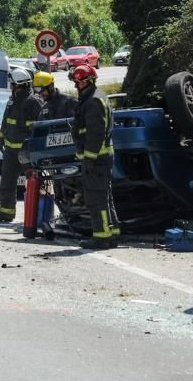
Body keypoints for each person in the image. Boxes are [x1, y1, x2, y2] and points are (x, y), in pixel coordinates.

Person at [69, 64, 120, 249]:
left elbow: (95, 133)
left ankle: (101, 237)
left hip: (96, 159)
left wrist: (88, 158)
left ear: (87, 82)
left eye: (77, 82)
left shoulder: (92, 101)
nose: (76, 86)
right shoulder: (99, 96)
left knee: (96, 200)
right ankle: (112, 233)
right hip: (103, 157)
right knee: (105, 197)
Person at [0, 68, 44, 223]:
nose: (11, 86)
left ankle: (36, 216)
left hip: (27, 151)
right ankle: (6, 212)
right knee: (7, 180)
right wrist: (0, 138)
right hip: (11, 150)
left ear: (18, 85)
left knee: (34, 182)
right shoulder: (12, 100)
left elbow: (40, 126)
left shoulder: (34, 102)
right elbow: (6, 121)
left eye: (12, 84)